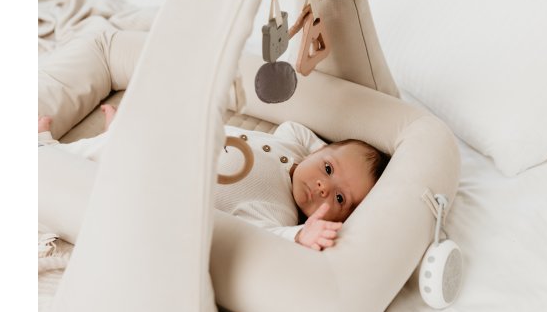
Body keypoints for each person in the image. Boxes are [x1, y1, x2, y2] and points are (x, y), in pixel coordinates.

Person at [38, 107, 389, 251]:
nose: (324, 187)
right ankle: (111, 134)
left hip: (157, 174)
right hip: (177, 137)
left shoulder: (277, 212)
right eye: (328, 169)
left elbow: (267, 238)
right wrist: (321, 154)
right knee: (136, 130)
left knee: (107, 161)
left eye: (339, 199)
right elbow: (296, 128)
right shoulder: (294, 146)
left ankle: (44, 152)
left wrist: (301, 234)